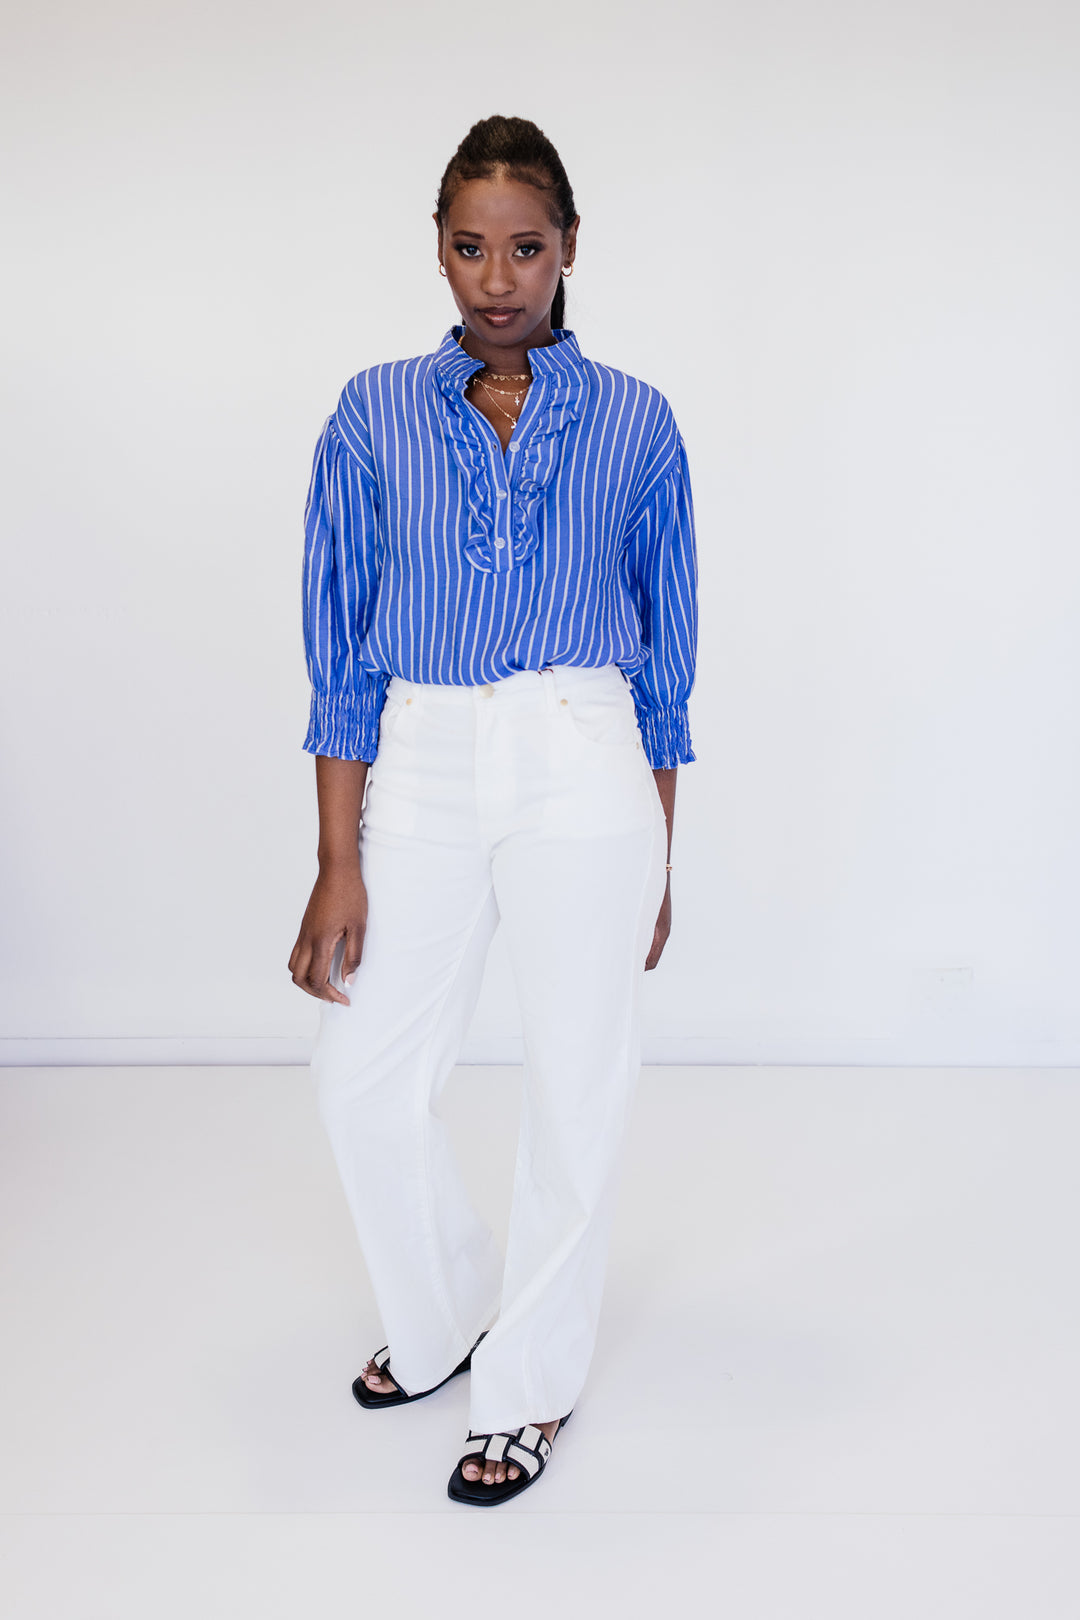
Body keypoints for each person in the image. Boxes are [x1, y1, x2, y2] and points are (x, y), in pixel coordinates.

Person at [288, 114, 698, 1507]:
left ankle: (529, 1386)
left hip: (586, 752)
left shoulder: (638, 421)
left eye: (526, 247)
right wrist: (336, 857)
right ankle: (452, 1306)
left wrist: (660, 850)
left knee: (577, 1084)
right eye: (471, 247)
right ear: (440, 251)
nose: (498, 277)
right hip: (421, 755)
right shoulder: (372, 412)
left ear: (569, 247)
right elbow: (339, 650)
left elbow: (668, 660)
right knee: (360, 1081)